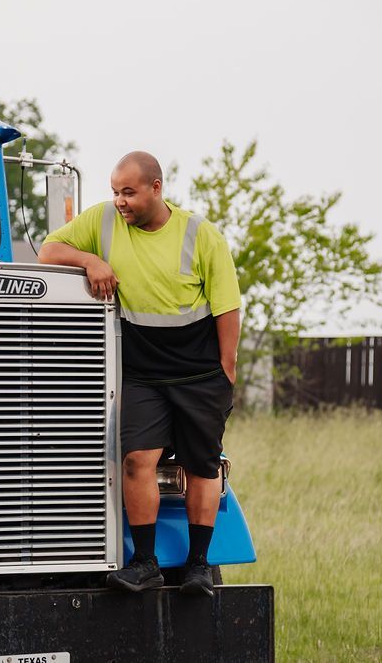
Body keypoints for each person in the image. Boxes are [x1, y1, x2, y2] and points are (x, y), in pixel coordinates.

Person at [38, 151, 241, 597]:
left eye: (128, 192)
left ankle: (199, 567)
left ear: (155, 188)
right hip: (142, 375)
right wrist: (89, 261)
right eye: (114, 191)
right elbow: (48, 251)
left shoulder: (200, 235)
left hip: (199, 375)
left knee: (201, 466)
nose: (120, 201)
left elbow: (227, 307)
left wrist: (226, 373)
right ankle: (146, 562)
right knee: (135, 461)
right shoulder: (104, 221)